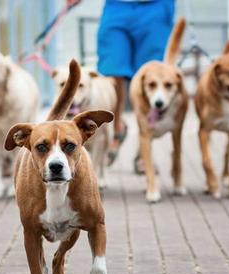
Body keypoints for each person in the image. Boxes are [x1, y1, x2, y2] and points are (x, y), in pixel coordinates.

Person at [68, 0, 176, 164]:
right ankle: (117, 129)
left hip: (156, 6)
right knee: (111, 71)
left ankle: (143, 149)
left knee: (151, 75)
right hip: (117, 5)